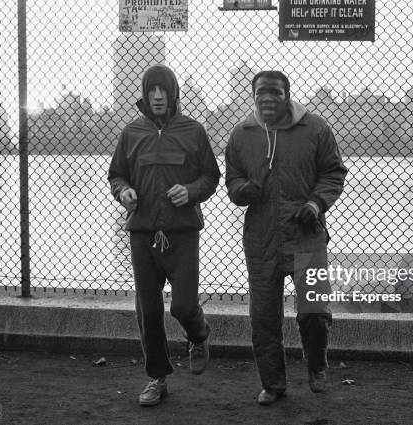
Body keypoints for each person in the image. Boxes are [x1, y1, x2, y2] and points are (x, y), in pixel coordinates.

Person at [225, 70, 347, 405]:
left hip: (306, 233)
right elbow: (232, 182)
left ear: (287, 95)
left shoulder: (316, 128)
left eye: (275, 92)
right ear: (253, 96)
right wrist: (243, 190)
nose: (267, 98)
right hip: (261, 239)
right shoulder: (242, 135)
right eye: (261, 92)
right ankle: (273, 383)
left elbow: (334, 172)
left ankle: (317, 365)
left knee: (314, 308)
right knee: (263, 316)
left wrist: (315, 202)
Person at [108, 64, 221, 407]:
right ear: (144, 94)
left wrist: (190, 191)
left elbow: (211, 177)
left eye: (163, 90)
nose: (157, 96)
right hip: (142, 233)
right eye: (151, 90)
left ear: (173, 94)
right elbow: (116, 175)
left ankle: (198, 335)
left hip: (182, 234)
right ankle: (157, 378)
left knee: (184, 305)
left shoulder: (193, 131)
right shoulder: (130, 133)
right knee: (149, 309)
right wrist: (123, 191)